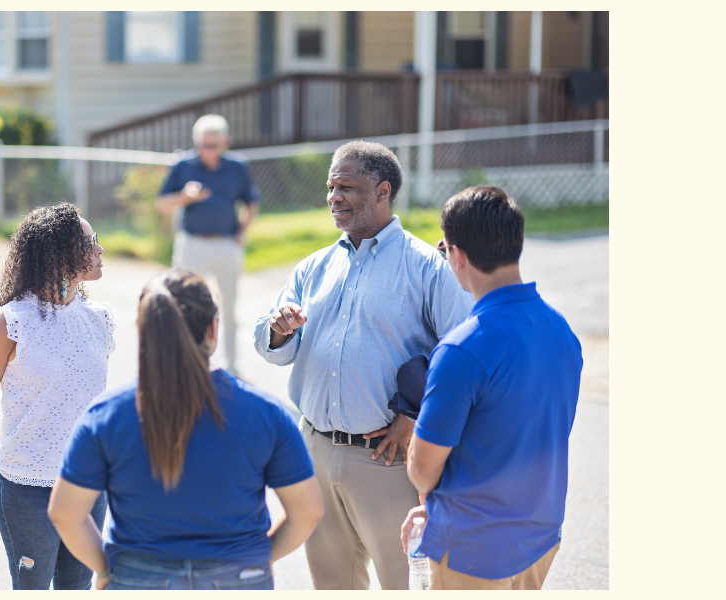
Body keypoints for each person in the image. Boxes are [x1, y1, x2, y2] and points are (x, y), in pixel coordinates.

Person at [252, 140, 475, 590]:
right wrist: (278, 330)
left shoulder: (427, 267)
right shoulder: (313, 266)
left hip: (387, 459)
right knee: (332, 586)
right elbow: (271, 347)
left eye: (347, 187)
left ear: (382, 191)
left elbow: (463, 355)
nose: (334, 196)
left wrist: (413, 418)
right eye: (331, 186)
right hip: (315, 451)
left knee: (404, 585)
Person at [47, 269, 323, 590]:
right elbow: (308, 511)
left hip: (137, 578)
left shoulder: (105, 416)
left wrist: (107, 569)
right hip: (240, 577)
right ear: (213, 328)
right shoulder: (267, 413)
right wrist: (255, 560)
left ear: (144, 330)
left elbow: (65, 513)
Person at [400, 186, 582, 590]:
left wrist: (433, 501)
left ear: (458, 255)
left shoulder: (462, 349)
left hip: (474, 545)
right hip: (541, 532)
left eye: (444, 246)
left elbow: (423, 467)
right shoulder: (561, 329)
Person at [0, 203, 115, 590]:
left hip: (86, 483)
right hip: (26, 488)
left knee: (78, 588)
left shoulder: (99, 319)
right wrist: (12, 446)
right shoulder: (8, 323)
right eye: (90, 242)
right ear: (59, 255)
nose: (100, 249)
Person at [156, 114, 260, 375]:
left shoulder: (237, 167)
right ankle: (182, 364)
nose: (206, 151)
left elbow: (251, 202)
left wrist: (242, 233)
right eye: (202, 144)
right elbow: (162, 204)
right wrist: (186, 197)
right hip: (193, 244)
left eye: (212, 145)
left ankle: (232, 367)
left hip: (227, 245)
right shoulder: (183, 165)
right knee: (181, 304)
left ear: (225, 142)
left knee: (229, 307)